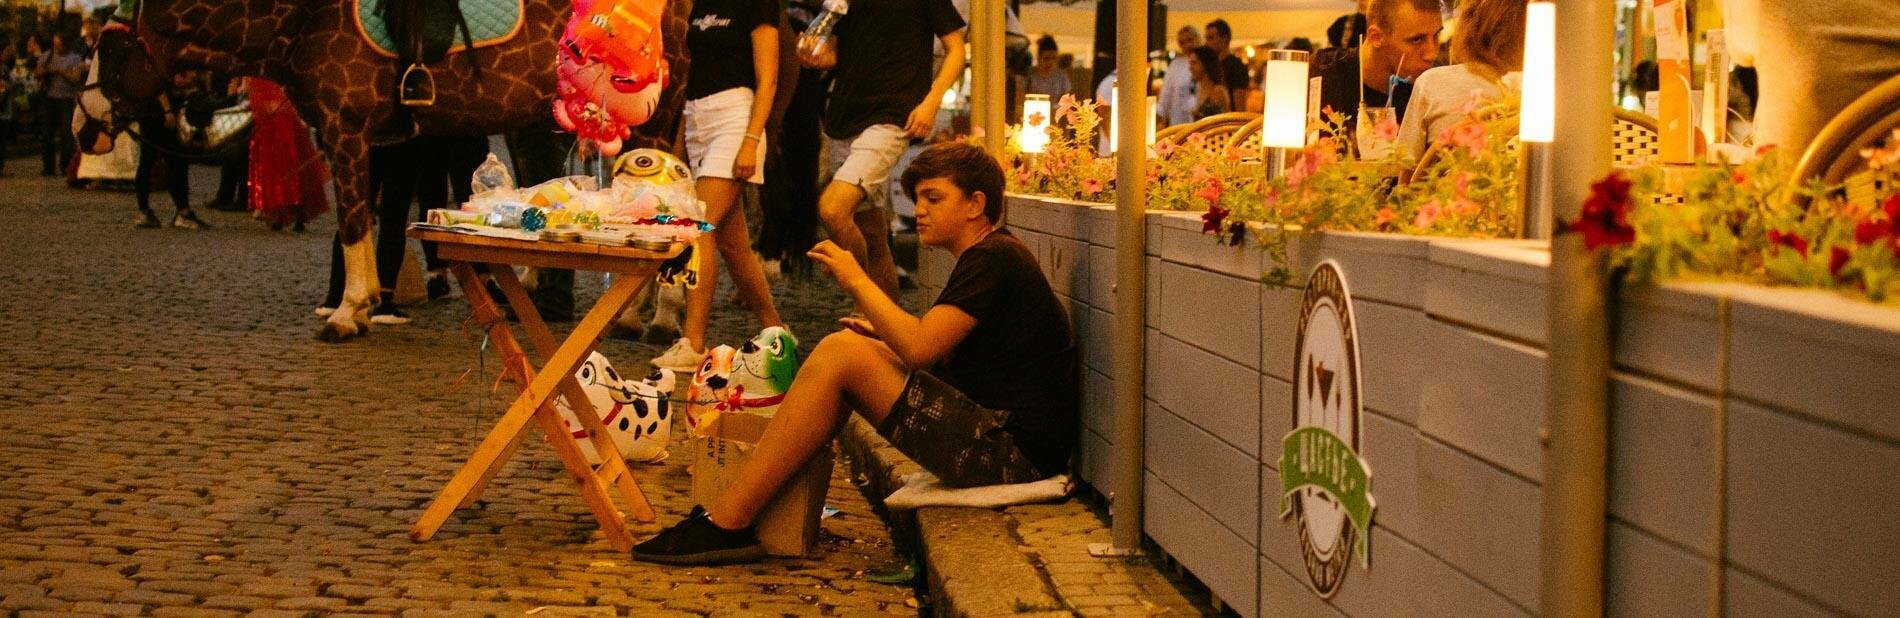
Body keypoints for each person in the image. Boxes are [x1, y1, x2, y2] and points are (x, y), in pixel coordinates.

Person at [631, 142, 1077, 566]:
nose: (919, 210)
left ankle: (729, 521)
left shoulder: (994, 258)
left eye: (933, 198)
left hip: (1011, 455)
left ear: (975, 204)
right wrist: (882, 339)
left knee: (841, 352)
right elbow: (950, 354)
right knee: (848, 348)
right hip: (1001, 439)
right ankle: (742, 512)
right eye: (918, 199)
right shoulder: (992, 255)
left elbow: (921, 347)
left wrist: (857, 279)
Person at [647, 0, 791, 371]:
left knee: (698, 228)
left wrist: (751, 139)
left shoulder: (759, 5)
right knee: (734, 246)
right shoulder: (701, 3)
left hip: (736, 117)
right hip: (698, 117)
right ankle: (778, 331)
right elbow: (698, 72)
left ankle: (693, 342)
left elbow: (769, 79)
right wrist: (680, 144)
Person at [816, 0, 966, 301]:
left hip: (893, 115)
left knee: (833, 209)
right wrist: (814, 54)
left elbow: (956, 49)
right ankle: (888, 323)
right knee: (872, 235)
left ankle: (864, 305)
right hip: (844, 117)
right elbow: (834, 51)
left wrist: (931, 102)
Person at [1394, 0, 1523, 160]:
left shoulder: (1433, 83)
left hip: (1450, 177)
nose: (1432, 53)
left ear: (1468, 26)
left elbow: (1404, 167)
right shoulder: (1544, 94)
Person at [1312, 0, 1443, 152]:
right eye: (1416, 39)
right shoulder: (1320, 76)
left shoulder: (1434, 86)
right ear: (1376, 37)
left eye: (1436, 35)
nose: (1432, 54)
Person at [247, 77, 330, 231]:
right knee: (288, 166)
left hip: (278, 120)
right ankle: (289, 211)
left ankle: (283, 211)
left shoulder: (258, 79)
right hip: (278, 119)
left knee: (281, 167)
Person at [131, 73, 209, 230]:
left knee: (147, 161)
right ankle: (183, 211)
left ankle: (144, 210)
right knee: (175, 160)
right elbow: (156, 84)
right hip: (158, 113)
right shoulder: (153, 62)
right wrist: (167, 109)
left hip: (147, 111)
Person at [37, 33, 84, 178]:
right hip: (49, 99)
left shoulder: (74, 58)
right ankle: (48, 167)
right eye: (55, 44)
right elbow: (38, 72)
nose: (57, 47)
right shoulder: (47, 56)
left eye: (60, 45)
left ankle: (65, 165)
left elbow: (75, 77)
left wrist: (60, 71)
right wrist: (46, 71)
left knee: (66, 135)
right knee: (47, 135)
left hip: (66, 99)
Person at [1158, 26, 1202, 127]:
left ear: (1198, 39)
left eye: (1190, 40)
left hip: (1202, 124)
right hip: (1179, 124)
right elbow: (1165, 97)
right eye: (1182, 43)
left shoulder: (1209, 63)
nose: (1187, 45)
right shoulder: (1176, 65)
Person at [1203, 20, 1250, 104]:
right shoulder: (1212, 66)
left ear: (1224, 38)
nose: (1206, 43)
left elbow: (1239, 105)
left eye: (1210, 38)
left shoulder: (1237, 67)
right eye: (1206, 39)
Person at [1189, 47, 1233, 121]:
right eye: (1190, 63)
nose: (1190, 68)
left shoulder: (1217, 91)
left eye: (1194, 63)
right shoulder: (1199, 89)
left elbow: (1226, 120)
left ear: (1205, 64)